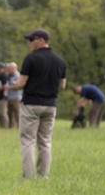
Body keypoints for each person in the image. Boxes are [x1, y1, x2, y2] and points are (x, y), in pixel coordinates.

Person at [12, 28, 67, 179]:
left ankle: (28, 177)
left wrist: (15, 83)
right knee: (45, 141)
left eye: (31, 40)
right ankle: (43, 176)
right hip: (50, 105)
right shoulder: (60, 61)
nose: (29, 43)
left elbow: (21, 83)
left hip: (31, 104)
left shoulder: (31, 59)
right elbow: (62, 85)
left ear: (41, 40)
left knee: (28, 141)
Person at [4, 62, 21, 129]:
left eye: (9, 69)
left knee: (17, 113)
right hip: (10, 97)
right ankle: (10, 126)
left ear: (13, 68)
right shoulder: (9, 76)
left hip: (16, 97)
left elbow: (18, 87)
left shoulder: (18, 76)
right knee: (9, 113)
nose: (8, 70)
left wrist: (9, 87)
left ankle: (19, 126)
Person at [0, 62, 10, 128]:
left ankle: (5, 126)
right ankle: (1, 126)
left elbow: (4, 86)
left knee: (3, 112)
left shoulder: (4, 76)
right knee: (1, 112)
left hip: (3, 96)